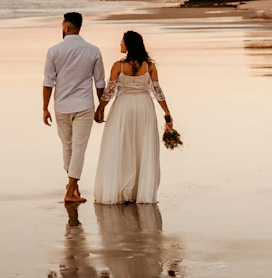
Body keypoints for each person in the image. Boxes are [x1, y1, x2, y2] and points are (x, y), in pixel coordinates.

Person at [91, 30, 174, 205]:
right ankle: (139, 190)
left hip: (123, 107)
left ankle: (122, 189)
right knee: (141, 145)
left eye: (122, 41)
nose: (120, 44)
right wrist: (167, 113)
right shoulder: (149, 66)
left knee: (122, 144)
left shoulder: (118, 66)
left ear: (128, 45)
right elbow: (157, 91)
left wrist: (100, 109)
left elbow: (109, 92)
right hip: (144, 107)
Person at [42, 11, 107, 203]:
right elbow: (100, 82)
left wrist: (45, 108)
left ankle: (71, 187)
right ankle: (72, 188)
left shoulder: (54, 51)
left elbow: (48, 82)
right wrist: (101, 107)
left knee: (67, 146)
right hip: (84, 105)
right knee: (79, 148)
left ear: (66, 27)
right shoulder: (93, 50)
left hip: (61, 105)